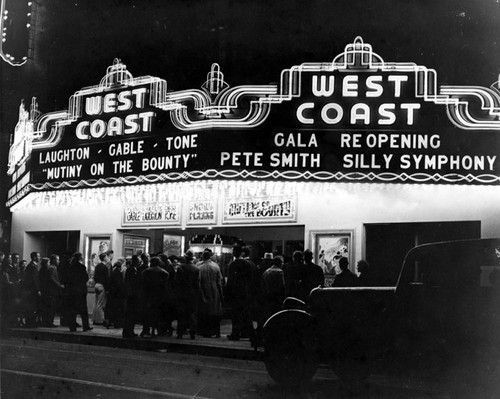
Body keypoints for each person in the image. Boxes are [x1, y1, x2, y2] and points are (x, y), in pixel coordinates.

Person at [226, 245, 254, 341]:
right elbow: (251, 279)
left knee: (236, 315)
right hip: (245, 292)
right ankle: (250, 333)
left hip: (236, 293)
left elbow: (230, 281)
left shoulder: (233, 265)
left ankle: (235, 333)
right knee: (246, 313)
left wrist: (228, 293)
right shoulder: (247, 264)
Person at [198, 250, 224, 338]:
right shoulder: (216, 266)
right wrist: (221, 294)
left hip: (204, 289)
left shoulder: (200, 267)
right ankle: (216, 332)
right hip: (214, 290)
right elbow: (219, 281)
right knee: (215, 312)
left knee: (205, 312)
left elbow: (198, 281)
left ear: (202, 257)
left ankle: (206, 331)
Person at [141, 256, 169, 337]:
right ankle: (159, 331)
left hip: (148, 296)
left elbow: (143, 285)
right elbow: (165, 286)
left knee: (147, 315)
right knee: (159, 314)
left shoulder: (145, 272)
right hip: (159, 296)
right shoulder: (164, 273)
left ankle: (146, 330)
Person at [175, 249, 200, 339]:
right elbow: (197, 283)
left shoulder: (180, 268)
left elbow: (177, 282)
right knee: (192, 314)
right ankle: (192, 333)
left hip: (182, 293)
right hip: (192, 294)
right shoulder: (196, 269)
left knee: (181, 314)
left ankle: (180, 333)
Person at [64, 253, 92, 332]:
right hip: (81, 291)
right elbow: (85, 278)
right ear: (80, 258)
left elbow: (68, 279)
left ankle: (72, 327)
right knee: (83, 310)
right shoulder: (82, 267)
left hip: (72, 291)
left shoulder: (71, 267)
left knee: (72, 310)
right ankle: (85, 326)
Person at [38, 256, 64, 327]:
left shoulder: (51, 268)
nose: (59, 261)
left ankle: (48, 322)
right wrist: (59, 285)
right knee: (51, 307)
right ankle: (49, 322)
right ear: (54, 260)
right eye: (57, 260)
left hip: (51, 291)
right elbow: (52, 279)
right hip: (51, 291)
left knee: (51, 307)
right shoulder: (52, 268)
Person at [261, 255, 286, 322]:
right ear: (279, 263)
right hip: (276, 298)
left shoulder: (266, 272)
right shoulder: (280, 272)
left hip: (267, 297)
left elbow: (262, 285)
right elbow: (282, 286)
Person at [122, 255, 142, 338]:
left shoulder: (133, 269)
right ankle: (128, 332)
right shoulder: (131, 270)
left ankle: (130, 331)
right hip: (131, 295)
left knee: (131, 314)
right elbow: (130, 283)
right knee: (130, 314)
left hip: (132, 295)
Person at [22, 252, 42, 327]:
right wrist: (38, 290)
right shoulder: (32, 266)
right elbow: (34, 280)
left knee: (32, 306)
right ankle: (30, 323)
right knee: (31, 306)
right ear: (34, 257)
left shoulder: (33, 266)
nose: (39, 258)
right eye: (38, 256)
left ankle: (30, 322)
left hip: (31, 290)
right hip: (32, 290)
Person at [92, 252, 110, 326]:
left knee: (96, 303)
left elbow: (95, 276)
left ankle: (95, 319)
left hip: (96, 285)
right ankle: (102, 320)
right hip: (102, 286)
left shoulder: (97, 266)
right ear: (104, 258)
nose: (107, 258)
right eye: (106, 257)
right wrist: (107, 288)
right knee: (100, 304)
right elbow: (106, 278)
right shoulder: (104, 267)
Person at [107, 261, 125, 329]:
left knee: (113, 308)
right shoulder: (118, 273)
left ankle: (111, 322)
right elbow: (119, 284)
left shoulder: (113, 272)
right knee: (117, 309)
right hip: (116, 293)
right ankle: (116, 323)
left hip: (112, 293)